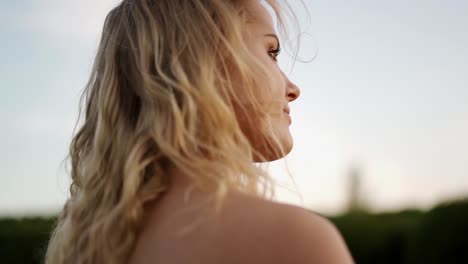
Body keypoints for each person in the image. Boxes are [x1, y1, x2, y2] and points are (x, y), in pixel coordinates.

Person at [45, 0, 354, 263]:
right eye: (271, 52)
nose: (292, 88)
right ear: (203, 63)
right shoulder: (296, 242)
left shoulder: (89, 246)